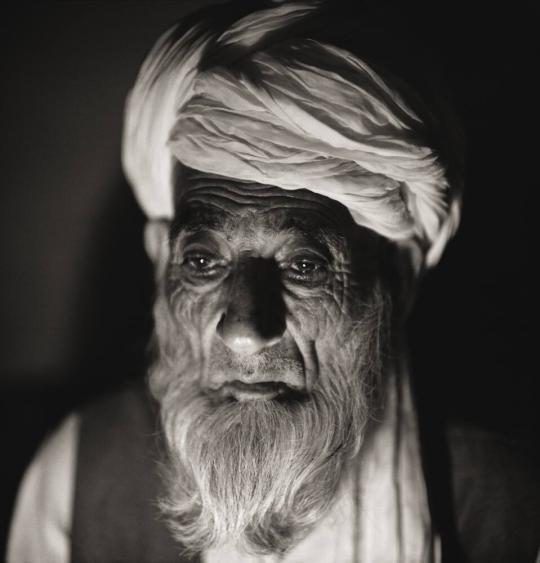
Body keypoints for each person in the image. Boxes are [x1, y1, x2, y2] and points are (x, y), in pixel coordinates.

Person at [7, 1, 540, 562]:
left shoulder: (509, 509)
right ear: (160, 259)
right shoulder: (76, 476)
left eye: (304, 266)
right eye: (203, 263)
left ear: (399, 277)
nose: (246, 329)